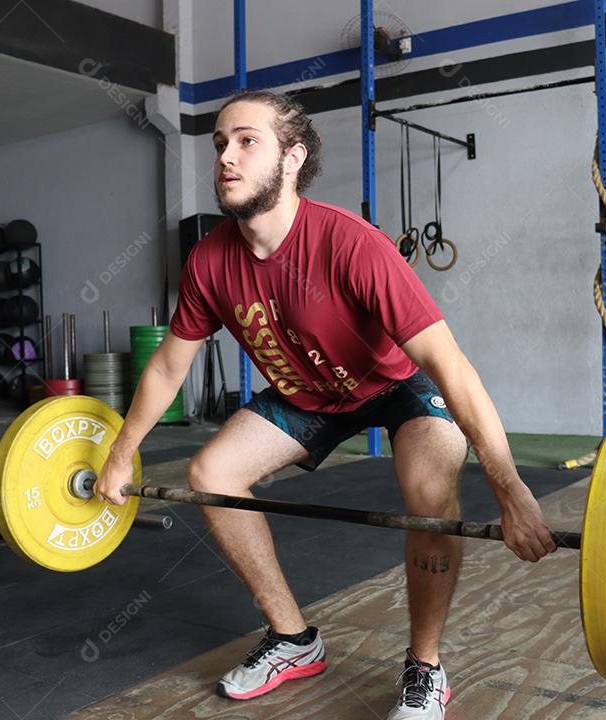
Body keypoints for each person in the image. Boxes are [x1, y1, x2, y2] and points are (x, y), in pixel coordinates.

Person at [95, 90, 556, 719]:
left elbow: (449, 366)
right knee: (211, 475)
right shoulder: (209, 260)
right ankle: (293, 639)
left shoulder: (352, 245)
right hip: (307, 395)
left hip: (394, 388)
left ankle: (425, 667)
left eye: (247, 141)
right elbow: (170, 365)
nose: (226, 157)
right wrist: (122, 454)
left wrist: (510, 488)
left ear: (292, 158)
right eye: (220, 144)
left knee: (428, 495)